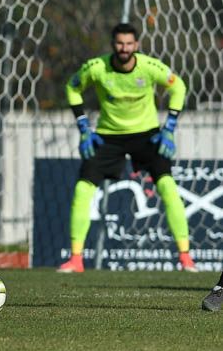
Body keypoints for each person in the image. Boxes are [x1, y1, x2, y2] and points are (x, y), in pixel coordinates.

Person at [57, 22, 196, 273]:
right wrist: (84, 128)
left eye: (129, 44)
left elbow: (178, 86)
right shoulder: (97, 67)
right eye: (120, 43)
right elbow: (72, 87)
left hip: (147, 135)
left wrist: (169, 127)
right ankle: (76, 259)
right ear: (113, 45)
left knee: (167, 185)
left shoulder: (149, 66)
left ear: (136, 45)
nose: (124, 48)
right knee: (82, 189)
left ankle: (186, 258)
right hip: (108, 137)